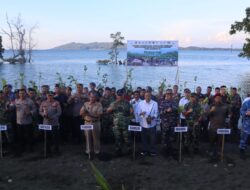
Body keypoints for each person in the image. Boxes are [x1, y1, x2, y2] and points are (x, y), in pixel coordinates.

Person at [107, 89, 133, 156]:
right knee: (117, 138)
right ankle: (118, 151)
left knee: (127, 138)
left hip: (125, 124)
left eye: (121, 95)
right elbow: (108, 110)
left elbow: (131, 112)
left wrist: (131, 111)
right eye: (118, 95)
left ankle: (129, 150)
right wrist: (112, 107)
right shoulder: (114, 103)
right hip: (117, 124)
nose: (120, 97)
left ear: (123, 95)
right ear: (116, 95)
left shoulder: (127, 103)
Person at [80, 92, 103, 158]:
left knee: (96, 138)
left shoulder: (99, 104)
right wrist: (83, 112)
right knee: (87, 137)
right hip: (87, 122)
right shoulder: (85, 104)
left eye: (93, 97)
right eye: (91, 97)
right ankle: (88, 151)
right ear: (89, 97)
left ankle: (97, 151)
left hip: (95, 123)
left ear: (96, 98)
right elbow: (81, 113)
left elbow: (98, 115)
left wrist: (89, 114)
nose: (92, 98)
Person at [15, 88, 36, 156]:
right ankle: (22, 148)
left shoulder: (30, 101)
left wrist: (30, 112)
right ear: (19, 94)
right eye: (20, 93)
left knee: (29, 136)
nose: (21, 94)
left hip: (27, 122)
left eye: (23, 93)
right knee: (20, 136)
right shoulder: (17, 101)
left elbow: (35, 110)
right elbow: (12, 108)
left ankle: (31, 148)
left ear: (25, 94)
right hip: (19, 122)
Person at [208, 93, 230, 161]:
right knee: (212, 141)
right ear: (214, 98)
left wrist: (228, 122)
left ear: (221, 98)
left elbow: (228, 116)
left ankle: (219, 152)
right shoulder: (211, 105)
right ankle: (211, 152)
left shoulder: (225, 106)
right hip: (213, 127)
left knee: (220, 142)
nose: (218, 98)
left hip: (221, 127)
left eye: (219, 97)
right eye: (216, 97)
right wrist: (210, 111)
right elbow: (205, 115)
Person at [40, 91, 62, 155]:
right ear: (47, 96)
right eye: (48, 95)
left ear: (53, 96)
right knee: (47, 137)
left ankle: (56, 150)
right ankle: (47, 150)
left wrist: (53, 117)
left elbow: (59, 112)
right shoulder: (43, 103)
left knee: (55, 137)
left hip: (54, 123)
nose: (49, 97)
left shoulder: (56, 103)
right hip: (46, 123)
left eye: (51, 95)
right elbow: (40, 111)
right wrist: (43, 115)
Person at [138, 91, 158, 156]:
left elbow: (156, 113)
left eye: (149, 96)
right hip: (143, 123)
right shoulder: (140, 103)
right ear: (144, 96)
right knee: (144, 138)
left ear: (151, 96)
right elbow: (138, 113)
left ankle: (152, 150)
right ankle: (144, 150)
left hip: (152, 123)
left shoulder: (155, 103)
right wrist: (142, 114)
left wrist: (152, 118)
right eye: (146, 96)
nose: (147, 97)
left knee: (153, 138)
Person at [159, 89, 178, 154]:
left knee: (172, 137)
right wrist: (166, 111)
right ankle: (164, 151)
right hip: (165, 123)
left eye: (170, 94)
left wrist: (178, 122)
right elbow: (160, 113)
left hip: (173, 123)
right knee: (164, 137)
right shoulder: (162, 102)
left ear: (172, 95)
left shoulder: (175, 102)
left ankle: (170, 150)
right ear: (166, 94)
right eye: (167, 94)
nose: (169, 95)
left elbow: (177, 112)